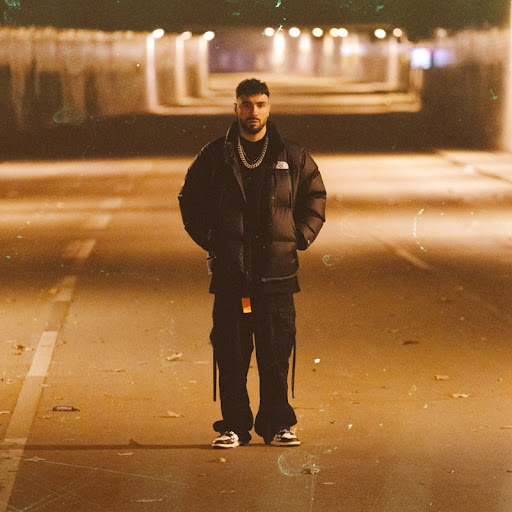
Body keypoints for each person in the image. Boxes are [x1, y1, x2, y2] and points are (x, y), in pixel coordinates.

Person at [179, 78, 326, 448]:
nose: (253, 112)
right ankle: (233, 426)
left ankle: (278, 424)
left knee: (276, 356)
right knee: (231, 355)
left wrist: (298, 237)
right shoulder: (215, 155)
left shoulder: (292, 155)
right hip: (232, 276)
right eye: (246, 104)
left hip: (277, 275)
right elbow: (189, 200)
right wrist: (213, 242)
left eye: (260, 104)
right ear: (236, 108)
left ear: (269, 107)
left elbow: (315, 197)